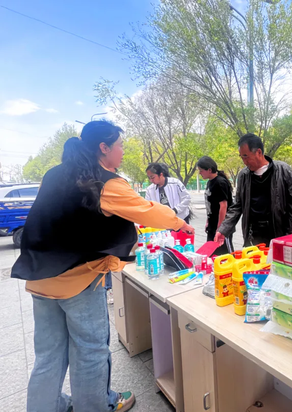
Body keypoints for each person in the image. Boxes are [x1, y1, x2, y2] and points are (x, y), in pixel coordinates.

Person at [11, 120, 194, 412]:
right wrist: (180, 222)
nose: (122, 151)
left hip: (39, 278)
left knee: (48, 355)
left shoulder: (54, 174)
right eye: (119, 145)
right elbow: (146, 211)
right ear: (103, 147)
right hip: (78, 280)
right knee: (90, 351)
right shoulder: (103, 181)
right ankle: (97, 406)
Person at [214, 133, 292, 247]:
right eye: (241, 157)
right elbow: (237, 206)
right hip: (253, 236)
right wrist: (223, 229)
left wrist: (291, 236)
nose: (244, 161)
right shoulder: (243, 176)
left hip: (279, 234)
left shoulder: (283, 170)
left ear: (259, 152)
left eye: (246, 156)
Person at [197, 156, 234, 255]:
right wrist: (208, 221)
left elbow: (223, 206)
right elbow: (211, 205)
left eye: (201, 171)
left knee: (225, 253)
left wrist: (220, 227)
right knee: (212, 252)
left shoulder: (220, 182)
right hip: (212, 225)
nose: (200, 173)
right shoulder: (210, 182)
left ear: (209, 170)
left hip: (222, 226)